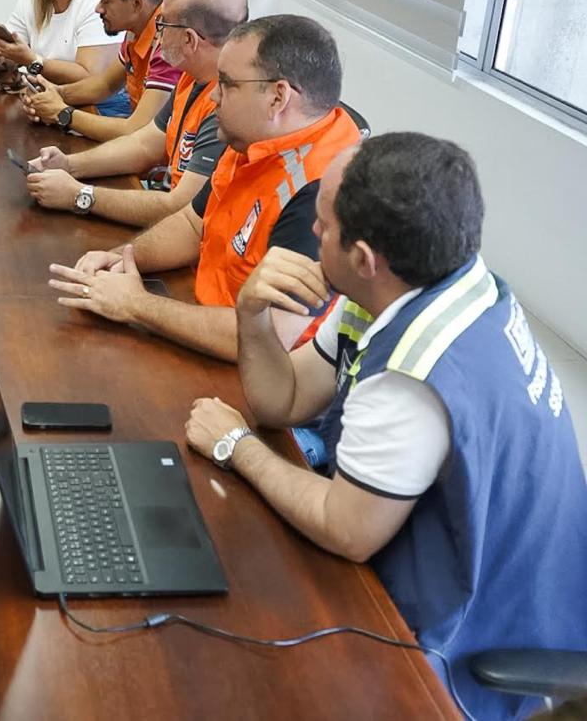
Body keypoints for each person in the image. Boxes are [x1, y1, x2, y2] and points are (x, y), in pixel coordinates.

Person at [183, 134, 587, 721]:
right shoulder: (425, 283)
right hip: (451, 558)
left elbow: (345, 529)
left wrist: (236, 446)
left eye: (323, 227)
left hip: (468, 645)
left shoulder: (411, 377)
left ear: (366, 258)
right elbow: (284, 398)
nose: (311, 232)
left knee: (224, 661)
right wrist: (252, 317)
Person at [49, 15, 362, 362]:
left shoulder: (322, 192)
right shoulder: (254, 137)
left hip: (251, 372)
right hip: (203, 315)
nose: (213, 96)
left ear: (278, 98)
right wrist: (122, 259)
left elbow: (265, 341)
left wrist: (136, 304)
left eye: (227, 84)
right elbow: (192, 223)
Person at [25, 0, 247, 226]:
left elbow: (178, 209)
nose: (157, 35)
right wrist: (68, 164)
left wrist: (80, 195)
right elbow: (144, 145)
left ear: (189, 39)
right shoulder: (191, 76)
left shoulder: (227, 106)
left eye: (163, 25)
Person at [20, 0, 180, 142]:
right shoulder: (137, 29)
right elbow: (105, 85)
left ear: (136, 3)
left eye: (106, 0)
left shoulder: (168, 45)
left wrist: (62, 113)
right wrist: (55, 94)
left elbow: (136, 131)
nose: (99, 8)